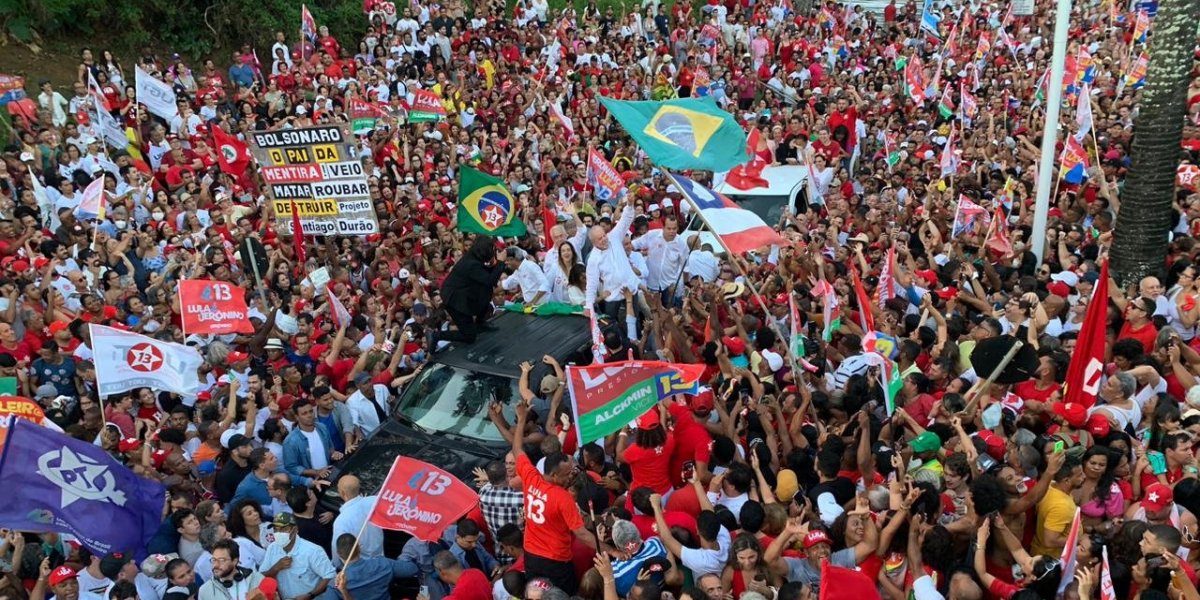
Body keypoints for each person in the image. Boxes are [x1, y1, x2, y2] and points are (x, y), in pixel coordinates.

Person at [510, 401, 598, 593]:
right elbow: (582, 534)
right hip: (556, 560)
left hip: (532, 556)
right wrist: (608, 550)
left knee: (538, 593)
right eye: (568, 474)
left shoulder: (531, 477)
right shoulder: (562, 497)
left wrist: (522, 418)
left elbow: (517, 450)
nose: (571, 476)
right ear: (555, 475)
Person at [259, 512, 336, 600]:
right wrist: (275, 568)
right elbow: (261, 576)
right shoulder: (272, 548)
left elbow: (330, 577)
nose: (278, 533)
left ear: (295, 529)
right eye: (275, 529)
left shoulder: (312, 551)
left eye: (283, 529)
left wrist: (310, 595)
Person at [330, 476, 383, 566]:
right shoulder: (375, 501)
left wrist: (337, 566)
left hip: (361, 566)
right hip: (381, 558)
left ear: (342, 493)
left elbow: (337, 550)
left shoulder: (341, 521)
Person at [197, 540, 265, 600]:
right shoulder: (205, 591)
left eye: (222, 560)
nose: (215, 565)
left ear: (235, 561)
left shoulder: (258, 579)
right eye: (214, 560)